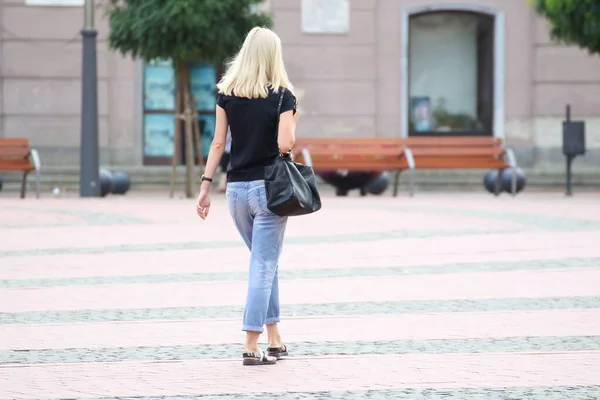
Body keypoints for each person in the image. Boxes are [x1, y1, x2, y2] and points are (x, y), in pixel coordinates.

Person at [195, 26, 299, 366]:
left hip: (237, 191)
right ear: (273, 56)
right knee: (264, 264)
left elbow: (217, 143)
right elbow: (285, 144)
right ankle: (250, 343)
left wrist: (205, 186)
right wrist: (292, 120)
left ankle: (275, 338)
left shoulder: (227, 93)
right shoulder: (283, 96)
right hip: (270, 190)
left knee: (264, 262)